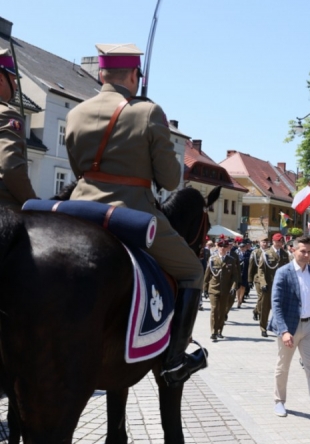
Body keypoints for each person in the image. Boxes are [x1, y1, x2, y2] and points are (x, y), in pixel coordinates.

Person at [65, 43, 205, 386]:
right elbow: (171, 180)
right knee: (192, 270)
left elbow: (76, 168)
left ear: (101, 74)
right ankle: (175, 360)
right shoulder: (148, 111)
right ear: (133, 76)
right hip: (132, 214)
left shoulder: (75, 113)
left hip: (78, 210)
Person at [267, 236, 310, 428]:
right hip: (290, 327)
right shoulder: (283, 272)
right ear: (293, 250)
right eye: (302, 251)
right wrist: (284, 331)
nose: (306, 255)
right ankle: (279, 401)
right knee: (283, 365)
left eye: (309, 252)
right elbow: (277, 304)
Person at [0, 49, 37, 211]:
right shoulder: (6, 114)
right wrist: (33, 203)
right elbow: (10, 169)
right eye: (14, 80)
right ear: (1, 79)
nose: (15, 86)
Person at [249, 233, 289, 337]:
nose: (280, 243)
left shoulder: (284, 254)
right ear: (273, 241)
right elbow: (261, 270)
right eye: (278, 241)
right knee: (265, 307)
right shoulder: (266, 253)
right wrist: (263, 283)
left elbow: (288, 270)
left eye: (281, 241)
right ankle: (263, 327)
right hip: (268, 284)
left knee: (280, 308)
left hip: (280, 286)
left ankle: (279, 327)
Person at [203, 240, 239, 341]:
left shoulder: (231, 260)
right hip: (214, 288)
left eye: (225, 246)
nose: (222, 248)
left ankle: (219, 330)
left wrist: (233, 287)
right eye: (220, 246)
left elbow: (234, 276)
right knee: (214, 309)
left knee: (222, 311)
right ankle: (213, 332)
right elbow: (207, 275)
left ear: (227, 248)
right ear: (217, 247)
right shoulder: (212, 259)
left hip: (225, 290)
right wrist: (205, 288)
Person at [248, 237, 269, 321]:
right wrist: (250, 280)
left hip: (267, 278)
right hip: (257, 278)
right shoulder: (255, 252)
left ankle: (256, 310)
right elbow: (251, 267)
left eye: (266, 242)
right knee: (261, 296)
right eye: (263, 242)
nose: (265, 243)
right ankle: (261, 313)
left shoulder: (270, 252)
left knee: (265, 298)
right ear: (260, 242)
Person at [236, 240, 252, 308]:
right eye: (241, 247)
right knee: (238, 286)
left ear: (246, 247)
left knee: (243, 287)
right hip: (238, 272)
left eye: (243, 247)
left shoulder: (249, 254)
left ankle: (241, 298)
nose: (242, 248)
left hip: (245, 272)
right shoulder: (237, 254)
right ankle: (238, 300)